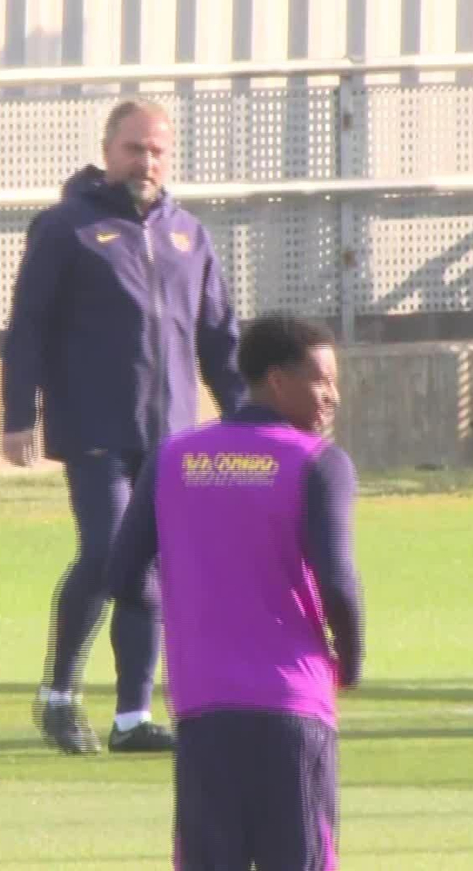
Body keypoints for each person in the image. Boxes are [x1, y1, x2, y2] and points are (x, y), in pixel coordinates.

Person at [0, 98, 246, 754]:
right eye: (134, 149)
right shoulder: (67, 228)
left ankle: (133, 717)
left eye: (157, 151)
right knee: (111, 553)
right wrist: (18, 414)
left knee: (154, 566)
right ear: (108, 150)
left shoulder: (189, 235)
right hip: (95, 427)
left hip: (170, 437)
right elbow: (28, 326)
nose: (146, 162)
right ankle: (58, 695)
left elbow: (219, 338)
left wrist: (249, 419)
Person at [109, 315, 364, 871]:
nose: (333, 396)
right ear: (278, 380)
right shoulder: (318, 463)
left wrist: (193, 610)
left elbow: (123, 576)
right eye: (322, 380)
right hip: (293, 707)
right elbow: (339, 583)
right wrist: (351, 660)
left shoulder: (174, 457)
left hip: (204, 710)